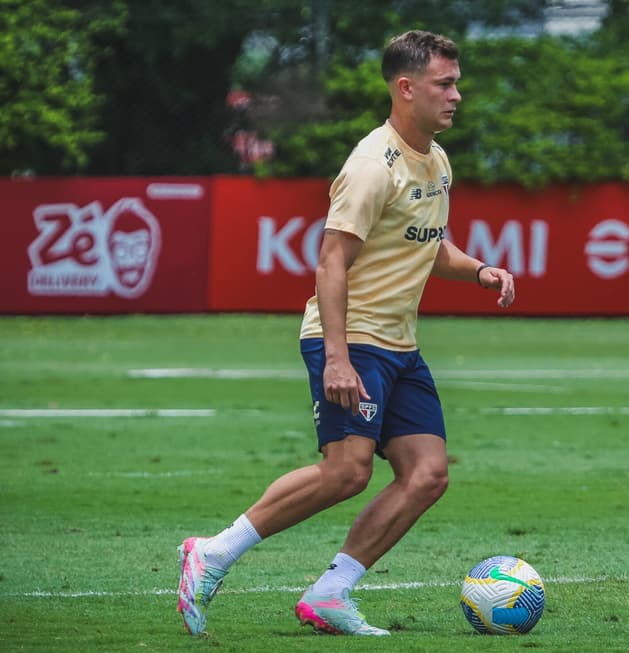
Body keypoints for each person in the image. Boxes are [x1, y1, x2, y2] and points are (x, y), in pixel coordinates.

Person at [176, 30, 515, 637]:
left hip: (399, 347)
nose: (457, 95)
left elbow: (432, 246)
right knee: (347, 470)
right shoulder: (370, 166)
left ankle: (331, 594)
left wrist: (480, 271)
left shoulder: (436, 161)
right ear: (406, 88)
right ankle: (213, 553)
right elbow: (331, 261)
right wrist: (337, 359)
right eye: (445, 83)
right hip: (351, 341)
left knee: (428, 474)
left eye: (457, 82)